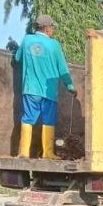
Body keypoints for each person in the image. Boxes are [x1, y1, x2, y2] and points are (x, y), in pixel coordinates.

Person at [15, 13, 76, 159]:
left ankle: (23, 153)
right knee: (48, 120)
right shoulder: (54, 45)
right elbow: (62, 69)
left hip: (30, 90)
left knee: (28, 118)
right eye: (52, 27)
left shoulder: (27, 40)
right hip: (49, 92)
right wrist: (70, 86)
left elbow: (17, 58)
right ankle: (48, 153)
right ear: (47, 29)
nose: (53, 30)